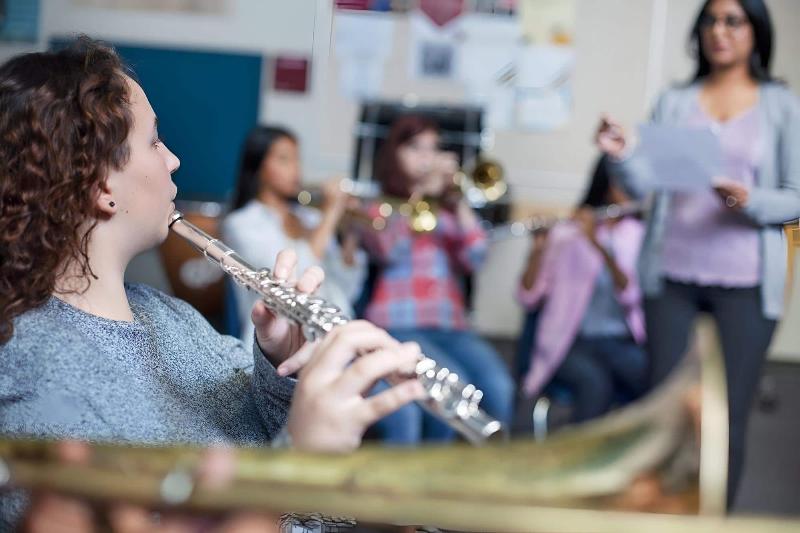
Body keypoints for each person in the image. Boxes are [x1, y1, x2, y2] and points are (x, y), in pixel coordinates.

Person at [0, 37, 425, 528]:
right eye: (155, 140)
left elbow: (257, 431)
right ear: (102, 188)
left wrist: (280, 365)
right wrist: (300, 458)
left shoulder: (168, 314)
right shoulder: (34, 379)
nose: (173, 160)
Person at [595, 0, 800, 508]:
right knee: (661, 412)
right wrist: (620, 155)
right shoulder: (674, 100)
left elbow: (796, 198)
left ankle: (713, 520)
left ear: (756, 32)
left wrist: (752, 202)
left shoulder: (782, 106)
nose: (719, 31)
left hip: (747, 284)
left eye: (734, 21)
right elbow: (645, 183)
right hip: (672, 277)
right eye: (710, 20)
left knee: (725, 419)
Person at [359, 115, 514, 444]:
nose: (426, 157)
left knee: (499, 386)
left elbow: (476, 258)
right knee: (448, 387)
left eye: (432, 149)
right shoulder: (381, 206)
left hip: (451, 325)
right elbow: (390, 251)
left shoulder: (447, 211)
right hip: (398, 324)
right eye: (415, 148)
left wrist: (458, 204)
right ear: (394, 155)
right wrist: (420, 197)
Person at [517, 156, 647, 423]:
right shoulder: (567, 234)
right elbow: (528, 296)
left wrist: (597, 244)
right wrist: (538, 249)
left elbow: (631, 294)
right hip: (572, 342)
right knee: (595, 384)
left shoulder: (637, 234)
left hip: (619, 341)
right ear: (608, 184)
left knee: (652, 378)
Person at [223, 126, 365, 347]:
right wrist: (331, 214)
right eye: (284, 160)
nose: (296, 170)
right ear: (258, 166)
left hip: (335, 335)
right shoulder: (241, 224)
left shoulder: (310, 219)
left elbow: (347, 288)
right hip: (280, 342)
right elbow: (293, 282)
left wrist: (351, 233)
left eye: (297, 160)